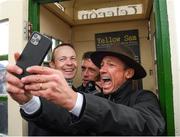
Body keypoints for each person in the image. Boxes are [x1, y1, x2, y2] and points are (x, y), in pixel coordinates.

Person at [6, 44, 165, 135]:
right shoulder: (98, 99)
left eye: (110, 65)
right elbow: (66, 122)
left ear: (129, 73)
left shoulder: (144, 98)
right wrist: (28, 101)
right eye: (101, 65)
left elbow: (147, 126)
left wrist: (75, 100)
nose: (102, 70)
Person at [6, 43, 78, 135]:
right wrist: (29, 102)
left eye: (73, 58)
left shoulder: (78, 96)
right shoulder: (38, 91)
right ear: (52, 64)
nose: (69, 63)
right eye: (62, 59)